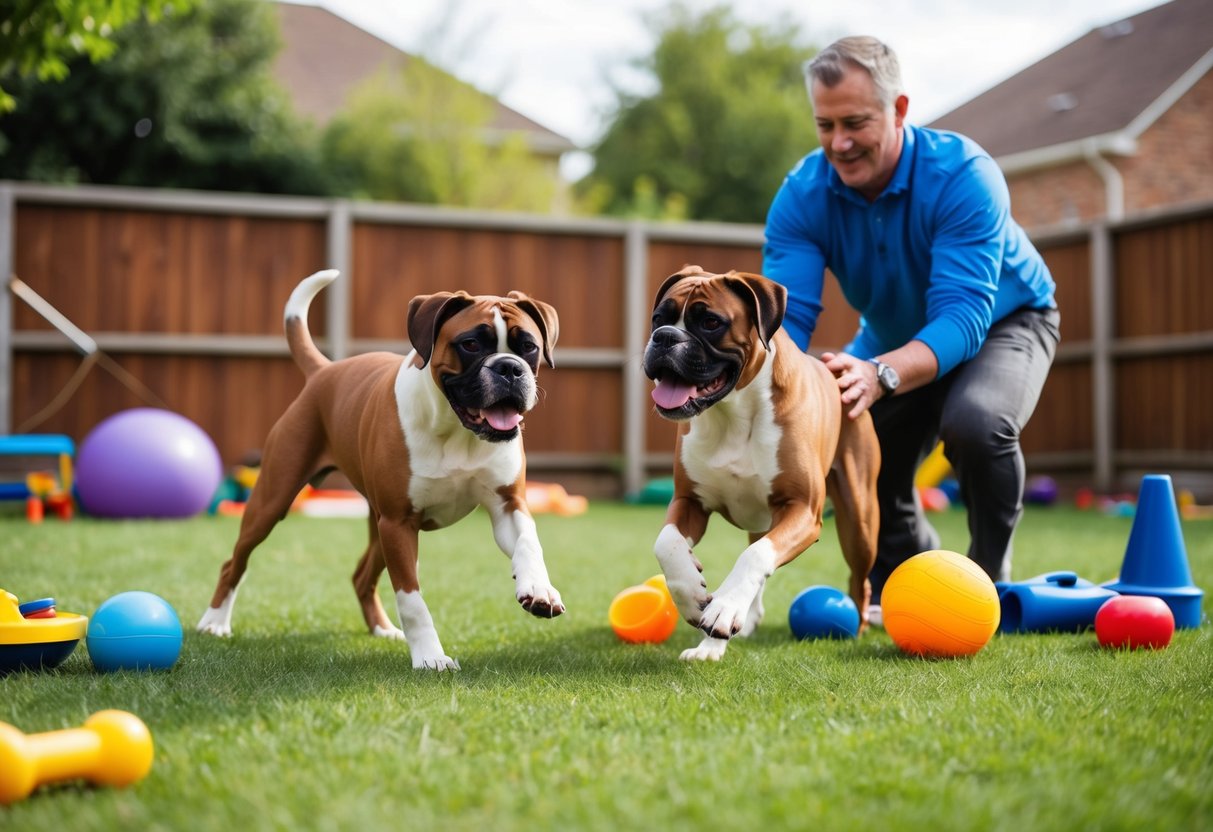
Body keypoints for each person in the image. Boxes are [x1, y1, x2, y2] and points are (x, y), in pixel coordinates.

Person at [762, 35, 1060, 624]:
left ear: (898, 110)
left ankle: (986, 586)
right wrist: (799, 388)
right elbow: (786, 322)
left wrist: (883, 371)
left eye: (855, 123)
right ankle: (904, 580)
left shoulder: (963, 175)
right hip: (891, 332)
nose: (839, 144)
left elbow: (963, 319)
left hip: (1006, 319)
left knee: (976, 424)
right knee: (849, 427)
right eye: (825, 125)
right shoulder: (802, 193)